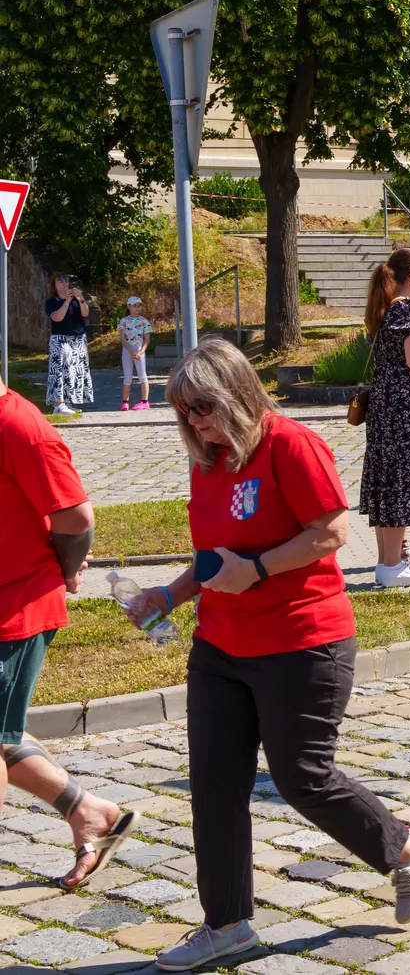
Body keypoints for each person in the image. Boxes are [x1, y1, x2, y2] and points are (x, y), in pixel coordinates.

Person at [129, 339, 410, 971]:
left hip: (303, 642)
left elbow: (331, 531)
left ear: (237, 394)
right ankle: (227, 924)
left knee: (303, 778)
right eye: (183, 411)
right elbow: (216, 559)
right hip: (220, 646)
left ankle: (405, 847)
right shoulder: (208, 461)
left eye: (202, 407)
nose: (193, 421)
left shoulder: (290, 444)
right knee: (215, 784)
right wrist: (172, 594)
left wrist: (262, 570)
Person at [0, 368, 139, 892]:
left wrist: (64, 569)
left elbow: (76, 518)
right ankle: (89, 814)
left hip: (16, 605)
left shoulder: (20, 426)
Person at [359, 248, 410, 589]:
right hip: (407, 407)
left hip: (385, 407)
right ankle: (392, 567)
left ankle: (386, 562)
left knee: (388, 480)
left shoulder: (388, 309)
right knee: (402, 482)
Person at [44, 275, 92, 416]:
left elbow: (85, 313)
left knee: (75, 371)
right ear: (54, 285)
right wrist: (67, 301)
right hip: (61, 339)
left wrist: (80, 298)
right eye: (60, 281)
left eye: (66, 281)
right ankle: (58, 405)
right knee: (59, 370)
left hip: (78, 338)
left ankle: (68, 402)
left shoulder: (77, 300)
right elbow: (57, 318)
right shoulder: (52, 301)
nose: (64, 284)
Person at [117, 296, 153, 411]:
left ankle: (144, 401)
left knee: (142, 375)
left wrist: (141, 352)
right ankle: (125, 402)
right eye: (135, 306)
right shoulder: (124, 321)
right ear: (129, 307)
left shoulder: (144, 321)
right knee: (127, 377)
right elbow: (122, 338)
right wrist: (130, 350)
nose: (137, 308)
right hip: (127, 350)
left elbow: (147, 339)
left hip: (139, 349)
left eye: (139, 306)